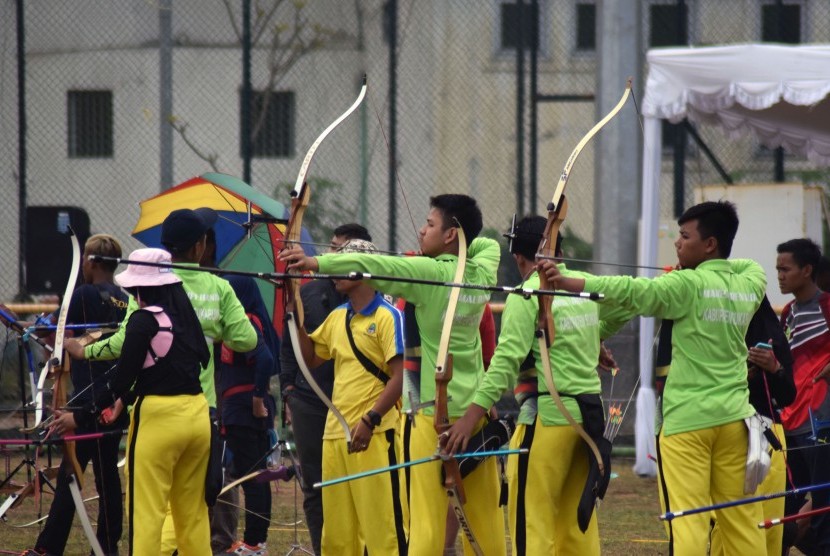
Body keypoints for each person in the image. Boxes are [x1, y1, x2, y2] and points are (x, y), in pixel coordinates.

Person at [539, 200, 767, 555]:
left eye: (685, 236)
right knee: (741, 521)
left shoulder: (685, 285)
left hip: (688, 424)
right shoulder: (750, 284)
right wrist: (708, 266)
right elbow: (747, 264)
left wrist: (568, 281)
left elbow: (632, 290)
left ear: (709, 244)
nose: (677, 243)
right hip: (735, 419)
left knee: (688, 520)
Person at [282, 194, 504, 555]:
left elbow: (374, 266)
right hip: (474, 415)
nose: (421, 229)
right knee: (486, 521)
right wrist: (460, 237)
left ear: (451, 235)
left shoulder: (429, 275)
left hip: (432, 415)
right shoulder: (483, 270)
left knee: (426, 522)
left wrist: (313, 261)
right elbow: (487, 243)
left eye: (430, 224)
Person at [442, 215, 630, 555]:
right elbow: (626, 307)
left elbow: (505, 361)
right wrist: (595, 336)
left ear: (517, 257)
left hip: (549, 417)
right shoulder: (582, 284)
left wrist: (471, 417)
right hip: (589, 416)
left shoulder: (527, 294)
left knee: (532, 520)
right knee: (578, 520)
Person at [74, 208, 257, 554]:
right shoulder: (216, 290)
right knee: (193, 513)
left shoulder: (145, 315)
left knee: (148, 513)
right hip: (201, 412)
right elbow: (246, 341)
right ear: (199, 246)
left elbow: (123, 353)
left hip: (157, 414)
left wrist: (86, 356)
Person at [68, 248, 212, 555]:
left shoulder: (143, 321)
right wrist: (127, 397)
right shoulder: (184, 318)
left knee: (147, 514)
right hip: (198, 418)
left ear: (138, 288)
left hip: (159, 422)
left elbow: (120, 379)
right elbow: (179, 368)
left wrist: (80, 417)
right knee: (192, 515)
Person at [291, 238, 407, 555]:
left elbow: (400, 377)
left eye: (343, 265)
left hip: (375, 434)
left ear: (365, 270)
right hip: (335, 434)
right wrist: (294, 315)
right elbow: (312, 357)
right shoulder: (338, 316)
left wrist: (370, 420)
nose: (335, 272)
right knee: (337, 535)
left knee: (383, 528)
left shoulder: (387, 317)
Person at [23, 234, 129, 556]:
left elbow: (55, 331)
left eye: (85, 260)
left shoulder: (82, 294)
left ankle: (49, 547)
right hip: (112, 399)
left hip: (85, 402)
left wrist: (35, 329)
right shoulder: (125, 298)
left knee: (72, 472)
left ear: (92, 262)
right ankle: (107, 546)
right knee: (106, 473)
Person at [279, 222, 372, 555]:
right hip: (311, 400)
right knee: (316, 486)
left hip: (357, 406)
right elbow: (291, 345)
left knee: (360, 486)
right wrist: (288, 388)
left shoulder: (376, 304)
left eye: (340, 251)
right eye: (330, 248)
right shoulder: (309, 293)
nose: (330, 257)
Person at [213, 276, 279, 556]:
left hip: (245, 408)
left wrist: (255, 398)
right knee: (258, 475)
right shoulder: (240, 321)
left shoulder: (248, 321)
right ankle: (257, 541)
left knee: (252, 476)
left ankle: (253, 542)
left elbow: (265, 361)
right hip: (243, 406)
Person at [776, 238, 830, 554]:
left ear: (807, 270)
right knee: (783, 511)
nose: (780, 275)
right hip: (789, 423)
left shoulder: (827, 307)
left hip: (819, 423)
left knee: (822, 508)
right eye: (778, 269)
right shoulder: (788, 312)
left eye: (786, 269)